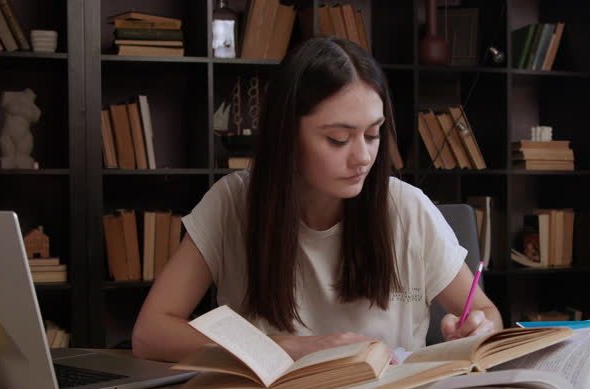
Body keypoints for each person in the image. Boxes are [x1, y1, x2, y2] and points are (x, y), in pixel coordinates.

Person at [132, 36, 502, 363]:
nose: (363, 158)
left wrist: (479, 328)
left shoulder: (407, 208)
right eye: (339, 139)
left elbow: (486, 313)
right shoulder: (233, 203)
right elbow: (151, 334)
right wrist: (288, 347)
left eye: (373, 135)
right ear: (287, 136)